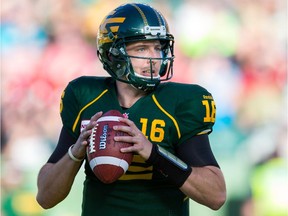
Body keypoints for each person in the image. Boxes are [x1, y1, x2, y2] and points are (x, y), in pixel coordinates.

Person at [36, 3, 226, 216]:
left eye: (158, 47)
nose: (154, 58)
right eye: (141, 49)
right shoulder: (85, 96)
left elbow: (216, 195)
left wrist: (153, 153)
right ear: (112, 55)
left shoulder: (181, 101)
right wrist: (75, 152)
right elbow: (45, 196)